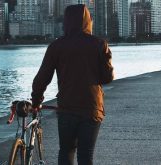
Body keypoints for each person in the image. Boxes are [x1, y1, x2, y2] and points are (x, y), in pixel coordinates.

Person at [30, 4, 114, 165]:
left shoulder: (56, 46)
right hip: (92, 109)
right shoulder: (99, 44)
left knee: (66, 151)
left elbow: (42, 78)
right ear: (88, 21)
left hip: (67, 108)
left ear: (66, 22)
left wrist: (36, 101)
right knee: (85, 155)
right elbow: (108, 77)